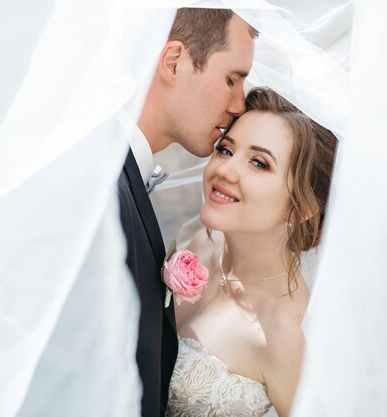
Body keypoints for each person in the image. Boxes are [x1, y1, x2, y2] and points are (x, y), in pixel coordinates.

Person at [117, 8, 258, 417]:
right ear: (174, 61)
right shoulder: (106, 192)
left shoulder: (119, 177)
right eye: (232, 78)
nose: (238, 105)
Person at [166, 87, 338, 417]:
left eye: (259, 163)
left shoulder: (287, 333)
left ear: (302, 209)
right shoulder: (199, 241)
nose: (225, 171)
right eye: (226, 150)